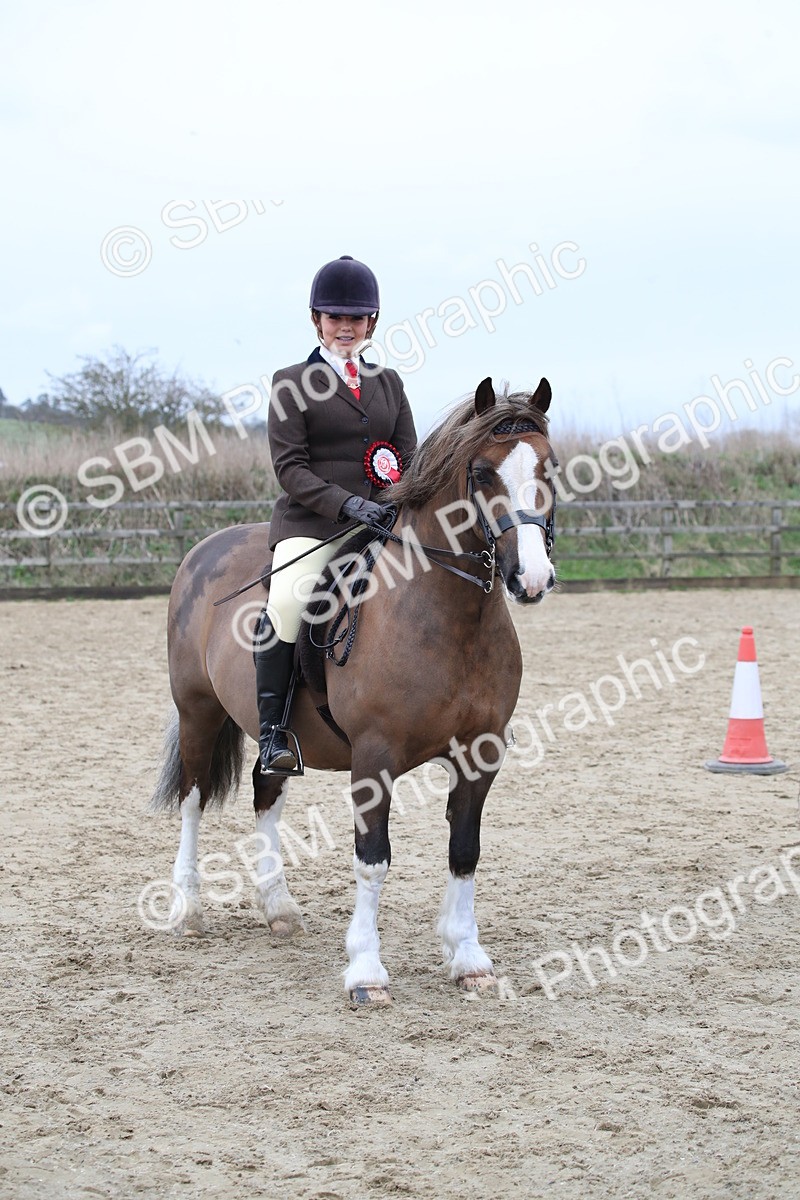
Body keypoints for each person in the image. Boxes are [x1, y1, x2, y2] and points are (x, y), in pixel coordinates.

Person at [256, 255, 418, 773]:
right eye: (335, 317)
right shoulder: (290, 382)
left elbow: (409, 458)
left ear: (372, 322)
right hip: (315, 523)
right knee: (287, 601)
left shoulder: (389, 383)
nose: (345, 327)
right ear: (316, 320)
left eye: (356, 318)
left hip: (383, 522)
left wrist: (396, 504)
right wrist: (347, 503)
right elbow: (290, 468)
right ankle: (273, 734)